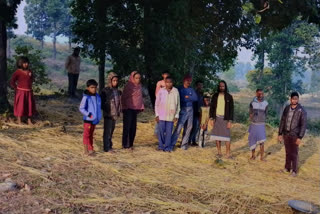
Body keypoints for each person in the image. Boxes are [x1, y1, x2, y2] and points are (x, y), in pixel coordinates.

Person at [278, 92, 307, 177]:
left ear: (298, 99)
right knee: (287, 152)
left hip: (295, 135)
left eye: (296, 99)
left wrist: (300, 137)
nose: (295, 100)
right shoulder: (287, 108)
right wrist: (280, 133)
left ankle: (294, 171)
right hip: (286, 134)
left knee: (294, 153)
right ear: (290, 99)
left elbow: (303, 125)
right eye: (293, 99)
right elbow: (282, 121)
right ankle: (287, 168)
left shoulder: (301, 110)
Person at [171, 74, 198, 150]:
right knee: (179, 126)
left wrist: (188, 97)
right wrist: (189, 98)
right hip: (183, 108)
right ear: (184, 81)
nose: (188, 82)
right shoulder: (180, 89)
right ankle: (172, 143)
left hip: (190, 109)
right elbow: (181, 99)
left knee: (189, 127)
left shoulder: (191, 89)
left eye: (190, 81)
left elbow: (195, 98)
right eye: (187, 80)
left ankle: (184, 145)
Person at [209, 80, 234, 159]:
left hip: (225, 119)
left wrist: (230, 121)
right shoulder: (215, 96)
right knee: (217, 136)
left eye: (223, 86)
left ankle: (228, 153)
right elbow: (212, 108)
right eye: (220, 86)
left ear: (225, 87)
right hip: (216, 118)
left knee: (227, 137)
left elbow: (231, 109)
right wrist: (212, 118)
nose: (221, 87)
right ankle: (219, 153)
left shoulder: (229, 97)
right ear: (218, 87)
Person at [155, 77, 180, 152]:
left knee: (169, 132)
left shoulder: (175, 91)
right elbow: (157, 103)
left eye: (170, 82)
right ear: (165, 83)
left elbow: (178, 105)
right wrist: (157, 114)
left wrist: (176, 115)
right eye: (167, 82)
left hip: (171, 115)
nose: (168, 84)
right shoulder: (161, 91)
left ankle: (167, 147)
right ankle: (161, 146)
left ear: (173, 83)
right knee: (161, 132)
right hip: (162, 114)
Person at [10, 56, 36, 125]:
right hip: (21, 92)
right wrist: (16, 88)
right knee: (20, 106)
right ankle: (19, 120)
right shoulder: (17, 72)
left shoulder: (30, 71)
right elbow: (12, 81)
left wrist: (31, 76)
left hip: (29, 92)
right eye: (24, 63)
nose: (26, 64)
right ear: (20, 63)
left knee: (29, 106)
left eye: (27, 63)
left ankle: (29, 120)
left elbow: (32, 79)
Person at [121, 71, 144, 150]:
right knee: (127, 127)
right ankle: (125, 144)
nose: (138, 80)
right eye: (136, 78)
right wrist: (124, 107)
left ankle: (131, 144)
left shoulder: (139, 86)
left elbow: (139, 97)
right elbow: (123, 97)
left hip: (135, 109)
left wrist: (140, 107)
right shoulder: (128, 86)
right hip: (128, 108)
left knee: (133, 127)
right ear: (132, 78)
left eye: (139, 78)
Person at [79, 79, 102, 156]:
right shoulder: (86, 97)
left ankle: (91, 148)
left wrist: (98, 117)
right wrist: (88, 114)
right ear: (87, 88)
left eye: (95, 87)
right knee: (86, 134)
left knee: (91, 134)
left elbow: (98, 108)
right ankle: (85, 150)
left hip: (95, 119)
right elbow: (81, 108)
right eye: (92, 87)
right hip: (88, 119)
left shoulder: (97, 97)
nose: (94, 89)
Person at [100, 72, 121, 153]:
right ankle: (106, 147)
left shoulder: (117, 91)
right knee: (107, 131)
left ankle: (110, 145)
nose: (115, 82)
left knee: (112, 130)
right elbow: (102, 103)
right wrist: (108, 112)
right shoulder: (105, 91)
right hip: (108, 114)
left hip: (115, 114)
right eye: (114, 80)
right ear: (110, 81)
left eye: (116, 80)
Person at [248, 89, 268, 161]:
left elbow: (266, 113)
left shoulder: (266, 103)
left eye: (262, 94)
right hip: (253, 124)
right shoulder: (252, 103)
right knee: (252, 140)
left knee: (262, 141)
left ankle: (262, 157)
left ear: (263, 94)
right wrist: (252, 115)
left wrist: (262, 119)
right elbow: (250, 113)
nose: (260, 95)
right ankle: (253, 156)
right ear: (256, 94)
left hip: (261, 125)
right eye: (259, 94)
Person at [189, 80, 204, 146]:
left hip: (199, 112)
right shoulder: (194, 93)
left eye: (201, 85)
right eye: (199, 85)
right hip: (194, 112)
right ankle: (189, 140)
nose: (200, 86)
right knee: (193, 127)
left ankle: (193, 140)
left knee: (197, 127)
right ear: (196, 86)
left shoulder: (201, 94)